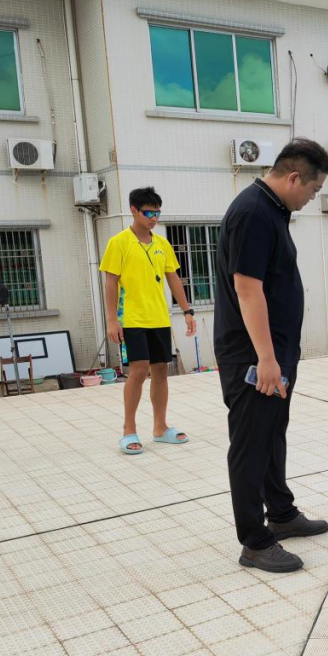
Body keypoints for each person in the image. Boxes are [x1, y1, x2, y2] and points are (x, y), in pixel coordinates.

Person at [214, 139, 328, 573]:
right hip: (253, 356)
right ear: (294, 177)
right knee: (250, 443)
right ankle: (254, 540)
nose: (313, 198)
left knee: (272, 433)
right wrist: (265, 358)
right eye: (314, 190)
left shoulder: (272, 209)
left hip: (274, 354)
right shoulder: (253, 213)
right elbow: (247, 288)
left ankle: (280, 514)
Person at [100, 187, 196, 455]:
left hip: (158, 318)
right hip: (130, 318)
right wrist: (111, 320)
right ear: (134, 210)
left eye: (157, 212)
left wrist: (187, 311)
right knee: (139, 371)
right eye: (148, 212)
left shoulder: (162, 244)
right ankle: (128, 430)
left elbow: (173, 278)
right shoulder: (119, 242)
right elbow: (111, 283)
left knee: (162, 370)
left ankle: (160, 428)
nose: (154, 217)